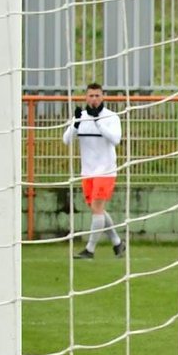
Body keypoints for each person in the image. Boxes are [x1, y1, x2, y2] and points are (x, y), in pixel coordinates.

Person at [63, 82, 126, 259]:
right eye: (91, 95)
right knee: (97, 210)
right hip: (87, 171)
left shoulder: (111, 117)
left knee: (97, 209)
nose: (94, 99)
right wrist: (76, 124)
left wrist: (98, 123)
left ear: (102, 97)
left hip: (106, 171)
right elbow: (66, 140)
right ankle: (117, 243)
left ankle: (89, 250)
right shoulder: (81, 117)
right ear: (86, 97)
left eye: (97, 95)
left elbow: (116, 139)